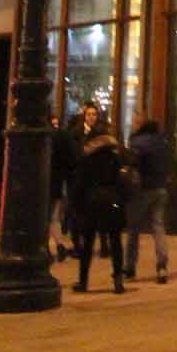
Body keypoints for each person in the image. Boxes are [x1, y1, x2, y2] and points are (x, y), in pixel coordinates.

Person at [72, 115, 129, 295]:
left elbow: (80, 182)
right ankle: (118, 281)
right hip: (112, 200)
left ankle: (83, 281)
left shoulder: (87, 157)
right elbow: (122, 180)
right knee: (115, 241)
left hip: (92, 201)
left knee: (87, 243)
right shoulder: (115, 156)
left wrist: (76, 204)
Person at [125, 118, 172, 284]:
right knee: (158, 227)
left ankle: (130, 267)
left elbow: (132, 163)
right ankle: (162, 265)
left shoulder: (137, 142)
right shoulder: (164, 142)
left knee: (133, 230)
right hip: (161, 188)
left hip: (143, 189)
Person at [49, 114, 77, 263]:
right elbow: (72, 158)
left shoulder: (46, 136)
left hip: (46, 181)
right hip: (57, 182)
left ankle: (49, 247)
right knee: (54, 217)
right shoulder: (62, 136)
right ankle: (59, 245)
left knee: (46, 217)